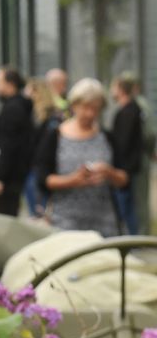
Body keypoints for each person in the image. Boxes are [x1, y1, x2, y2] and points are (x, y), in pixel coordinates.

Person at [34, 78, 127, 237]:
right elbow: (43, 178)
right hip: (65, 221)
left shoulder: (107, 137)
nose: (90, 114)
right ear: (74, 105)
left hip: (104, 222)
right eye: (86, 107)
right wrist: (74, 180)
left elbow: (125, 179)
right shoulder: (55, 136)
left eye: (95, 109)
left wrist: (108, 172)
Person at [0, 66, 33, 217]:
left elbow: (7, 145)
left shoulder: (14, 109)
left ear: (10, 84)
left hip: (9, 179)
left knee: (3, 216)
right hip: (10, 177)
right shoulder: (14, 106)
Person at [109, 72, 147, 234]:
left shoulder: (128, 112)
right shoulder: (131, 110)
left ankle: (131, 239)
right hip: (127, 166)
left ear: (120, 89)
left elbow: (122, 143)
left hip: (124, 167)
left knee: (125, 206)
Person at [22, 77, 64, 218]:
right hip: (39, 168)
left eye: (28, 93)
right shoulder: (50, 116)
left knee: (40, 212)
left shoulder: (45, 119)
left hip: (39, 169)